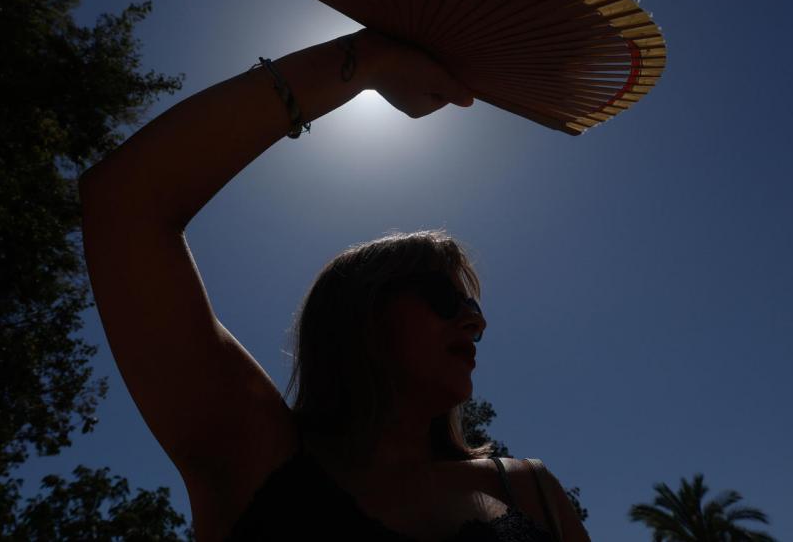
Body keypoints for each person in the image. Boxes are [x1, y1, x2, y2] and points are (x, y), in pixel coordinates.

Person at [79, 29, 590, 541]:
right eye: (442, 297)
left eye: (472, 305)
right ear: (360, 316)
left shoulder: (531, 489)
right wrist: (368, 59)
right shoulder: (253, 458)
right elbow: (125, 202)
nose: (475, 320)